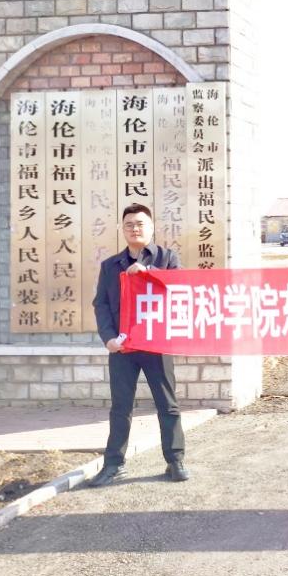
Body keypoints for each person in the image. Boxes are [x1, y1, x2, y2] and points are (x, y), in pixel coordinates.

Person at [87, 203, 189, 487]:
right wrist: (108, 338)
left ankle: (175, 460)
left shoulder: (167, 258)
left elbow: (180, 287)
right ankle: (114, 465)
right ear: (122, 229)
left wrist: (148, 272)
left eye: (140, 223)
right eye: (129, 224)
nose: (135, 228)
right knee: (120, 408)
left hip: (156, 344)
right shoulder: (110, 266)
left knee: (167, 404)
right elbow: (101, 304)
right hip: (123, 347)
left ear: (152, 227)